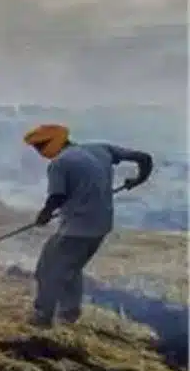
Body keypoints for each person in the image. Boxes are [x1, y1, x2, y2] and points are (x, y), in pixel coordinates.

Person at [23, 123, 153, 328]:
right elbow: (144, 158)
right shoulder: (100, 149)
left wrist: (45, 214)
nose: (39, 152)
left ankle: (42, 318)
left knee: (48, 271)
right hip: (100, 225)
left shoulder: (60, 163)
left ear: (53, 142)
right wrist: (139, 179)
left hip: (77, 229)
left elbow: (57, 196)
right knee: (71, 268)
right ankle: (69, 315)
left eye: (40, 146)